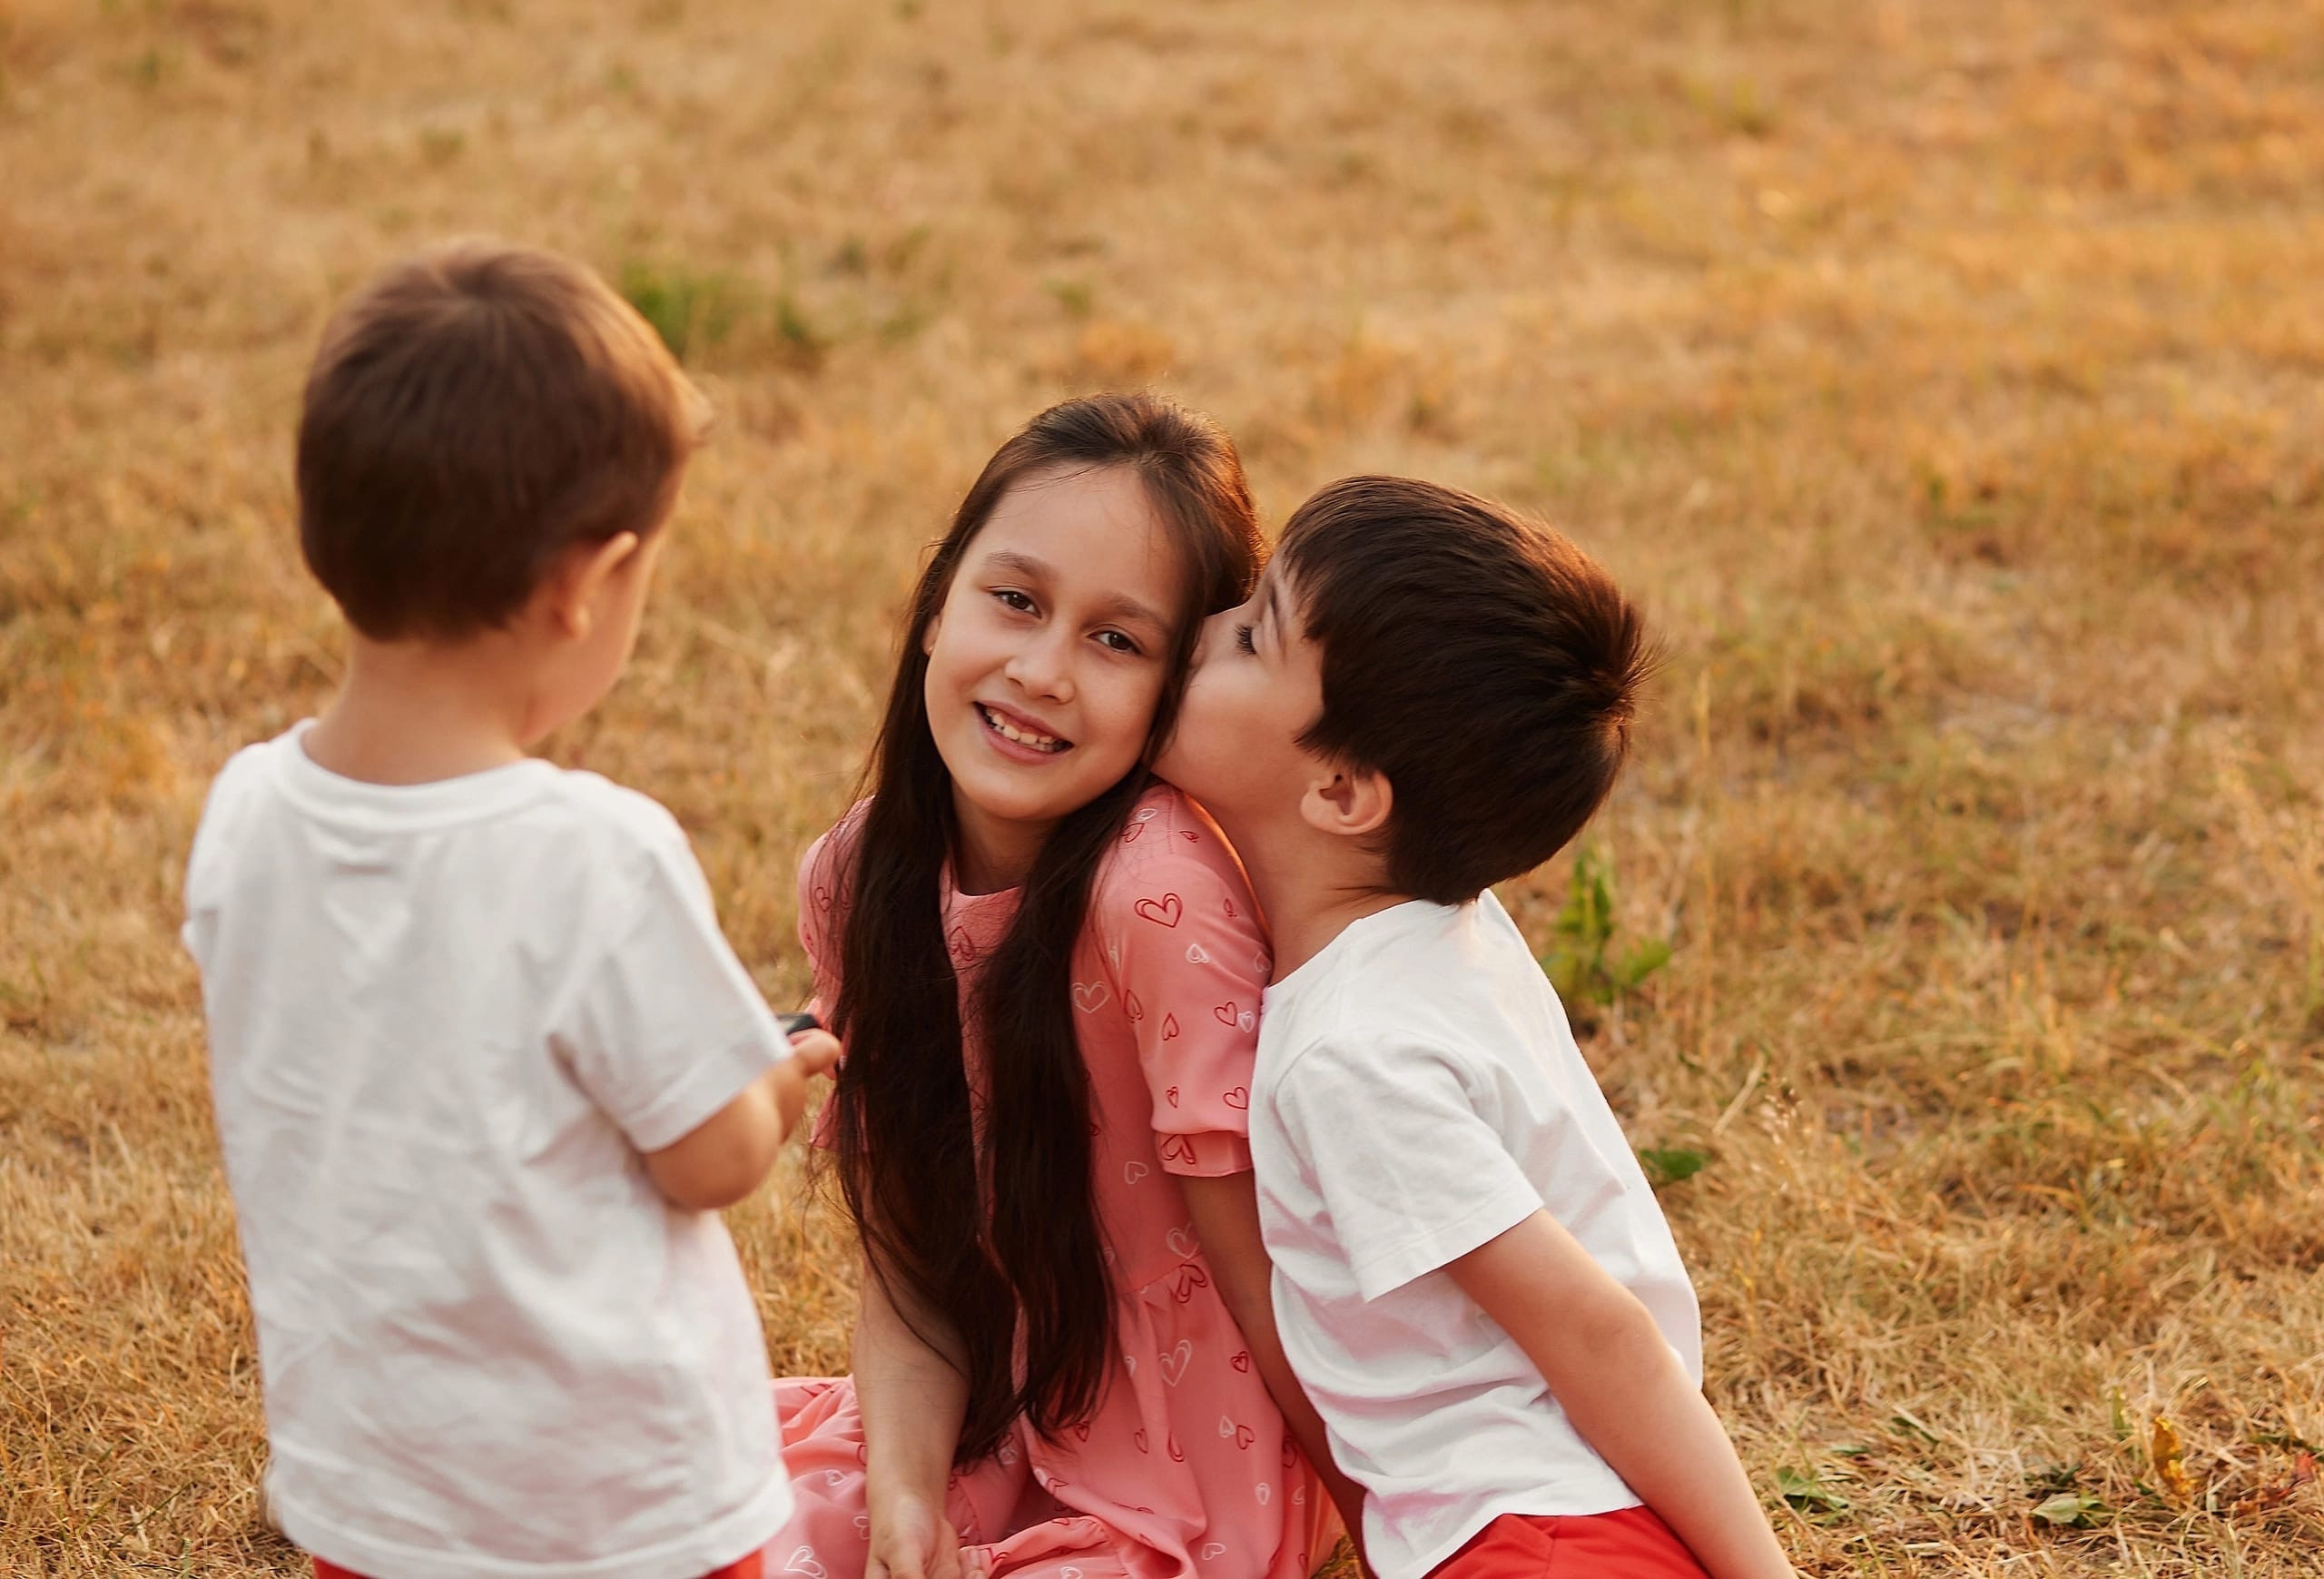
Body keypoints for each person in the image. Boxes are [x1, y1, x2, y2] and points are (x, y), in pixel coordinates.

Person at [181, 242, 837, 1579]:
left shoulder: (244, 812)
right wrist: (777, 1078)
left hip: (375, 1497)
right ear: (585, 583)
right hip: (615, 1513)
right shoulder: (594, 853)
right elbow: (707, 1156)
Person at [1153, 477, 1797, 1579]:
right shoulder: (1442, 930)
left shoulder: (1352, 1056)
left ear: (1343, 790)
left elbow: (1594, 1331)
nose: (1203, 625)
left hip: (1541, 1537)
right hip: (1557, 1519)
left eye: (1252, 634)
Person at [772, 393, 1349, 1579]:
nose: (1040, 671)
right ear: (937, 602)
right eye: (1017, 600)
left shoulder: (1157, 897)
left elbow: (1264, 1281)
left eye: (1116, 640)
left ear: (1177, 687)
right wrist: (904, 1507)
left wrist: (1387, 1522)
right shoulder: (856, 876)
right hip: (980, 1428)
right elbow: (915, 1258)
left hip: (1195, 1480)